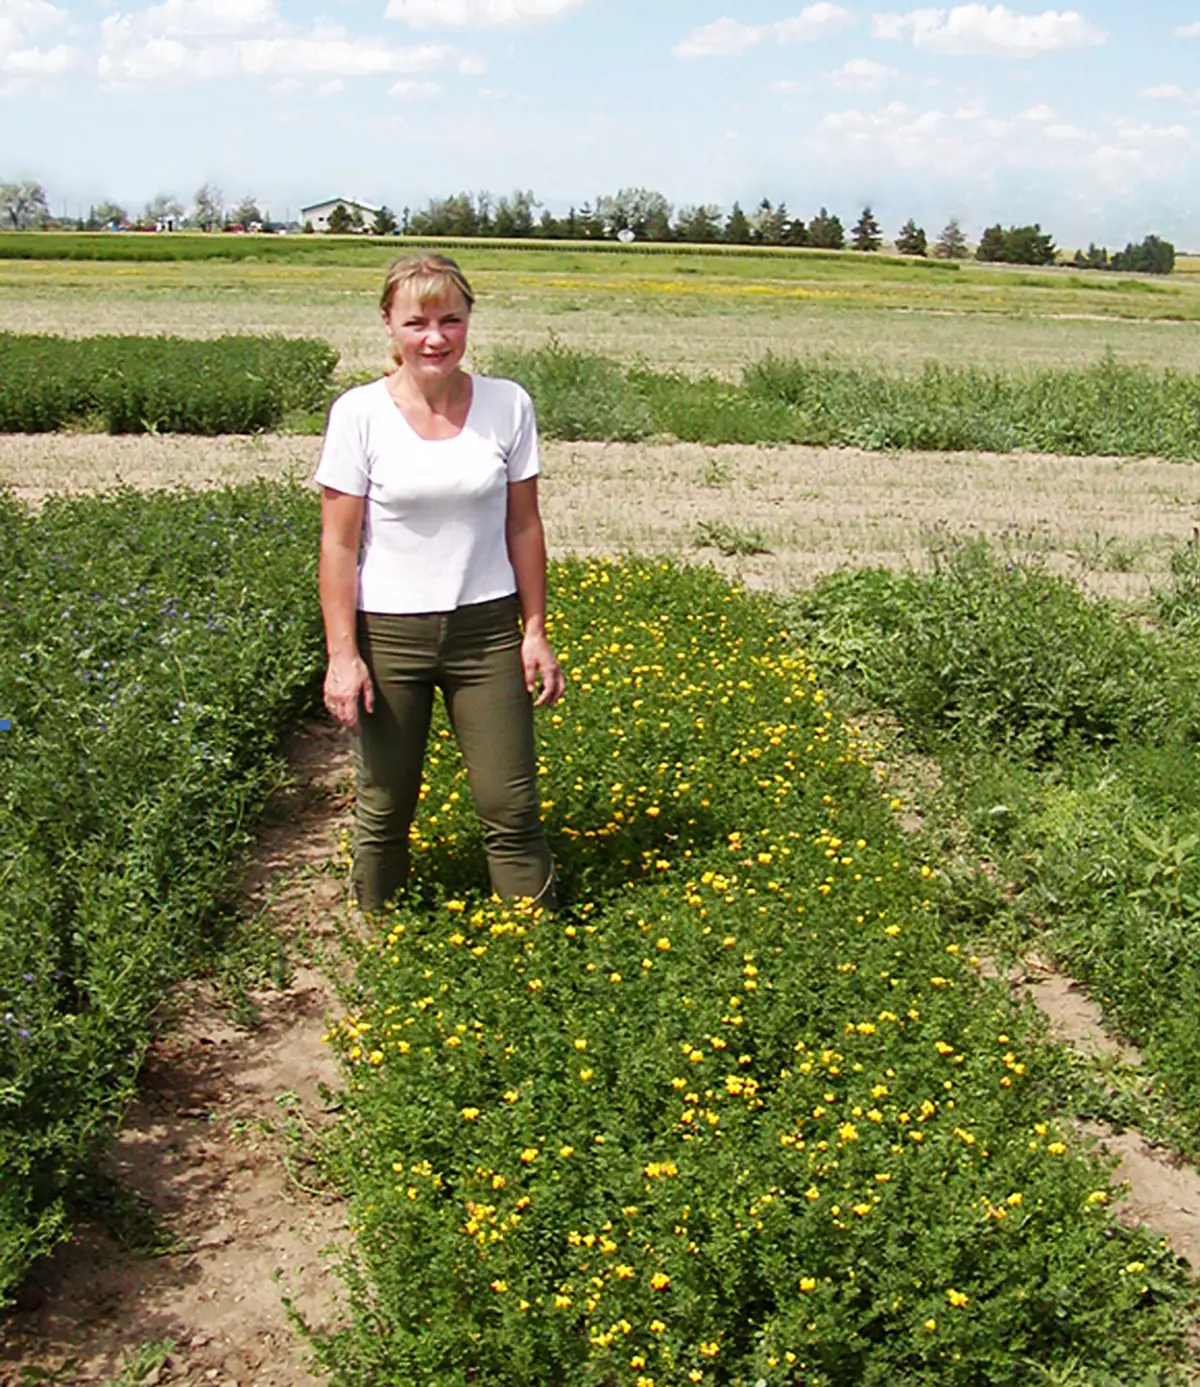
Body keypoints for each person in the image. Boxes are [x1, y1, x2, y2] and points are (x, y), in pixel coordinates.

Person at [315, 252, 563, 913]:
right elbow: (338, 545)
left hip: (485, 632)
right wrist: (343, 657)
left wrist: (534, 630)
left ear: (468, 321)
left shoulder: (508, 405)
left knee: (511, 806)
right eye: (417, 321)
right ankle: (385, 952)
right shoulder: (358, 414)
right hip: (389, 635)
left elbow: (524, 527)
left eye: (451, 320)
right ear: (388, 325)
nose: (435, 338)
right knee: (385, 805)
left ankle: (537, 956)